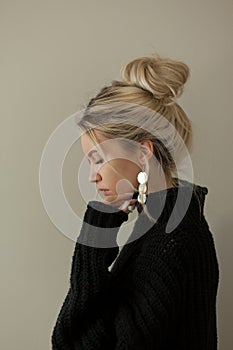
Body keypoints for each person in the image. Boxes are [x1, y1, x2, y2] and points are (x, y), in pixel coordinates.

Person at [51, 53, 219, 349]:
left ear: (143, 153)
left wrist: (96, 229)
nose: (93, 177)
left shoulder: (172, 240)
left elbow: (75, 340)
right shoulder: (161, 226)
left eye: (98, 159)